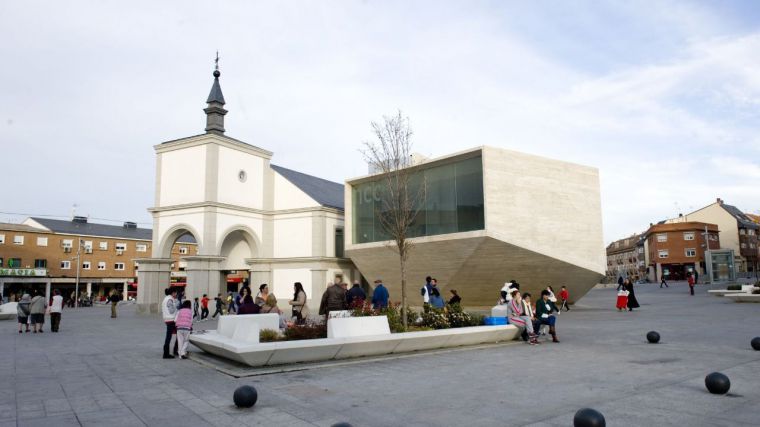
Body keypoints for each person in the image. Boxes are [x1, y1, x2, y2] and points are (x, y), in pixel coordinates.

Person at [162, 288, 179, 359]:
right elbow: (171, 310)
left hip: (167, 319)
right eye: (176, 293)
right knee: (169, 337)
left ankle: (173, 351)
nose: (176, 294)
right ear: (173, 293)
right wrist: (176, 305)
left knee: (174, 335)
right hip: (171, 319)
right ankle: (166, 354)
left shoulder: (166, 299)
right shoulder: (170, 299)